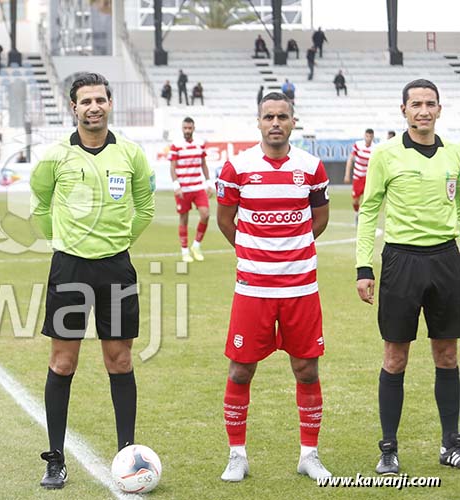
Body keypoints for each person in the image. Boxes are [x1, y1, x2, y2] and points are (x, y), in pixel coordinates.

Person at [30, 72, 155, 490]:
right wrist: (64, 242)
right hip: (70, 268)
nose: (94, 107)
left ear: (110, 104)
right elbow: (40, 204)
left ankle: (128, 456)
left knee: (119, 360)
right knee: (63, 362)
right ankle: (55, 459)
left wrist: (117, 243)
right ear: (74, 107)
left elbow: (145, 207)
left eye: (100, 99)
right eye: (85, 101)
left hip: (116, 267)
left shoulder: (131, 155)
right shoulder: (55, 156)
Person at [216, 92, 332, 483]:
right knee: (241, 370)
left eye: (283, 116)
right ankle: (237, 455)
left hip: (301, 286)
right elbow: (225, 220)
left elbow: (319, 219)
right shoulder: (237, 168)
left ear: (293, 121)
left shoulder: (312, 168)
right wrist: (255, 253)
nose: (276, 123)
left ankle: (309, 455)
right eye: (269, 116)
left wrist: (291, 254)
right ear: (259, 122)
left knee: (306, 368)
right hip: (253, 288)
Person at [355, 79, 460, 476]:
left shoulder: (454, 154)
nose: (423, 111)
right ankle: (388, 449)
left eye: (430, 104)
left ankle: (451, 443)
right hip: (401, 261)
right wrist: (364, 267)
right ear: (403, 110)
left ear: (439, 109)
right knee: (395, 357)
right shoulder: (385, 155)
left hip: (446, 260)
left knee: (447, 353)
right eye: (415, 104)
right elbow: (369, 212)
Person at [170, 116, 212, 262]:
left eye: (189, 128)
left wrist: (208, 182)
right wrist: (176, 186)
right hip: (183, 189)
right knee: (184, 219)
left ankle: (196, 245)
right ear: (182, 128)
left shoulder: (200, 143)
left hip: (198, 187)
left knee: (206, 215)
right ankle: (184, 251)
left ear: (194, 128)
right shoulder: (176, 144)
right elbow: (173, 167)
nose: (187, 131)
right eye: (185, 128)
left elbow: (203, 164)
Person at [343, 128, 375, 220]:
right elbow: (350, 159)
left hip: (368, 177)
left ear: (373, 137)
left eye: (370, 137)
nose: (368, 138)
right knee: (355, 200)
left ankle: (365, 217)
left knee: (368, 198)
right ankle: (357, 213)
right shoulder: (358, 145)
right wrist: (347, 174)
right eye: (367, 136)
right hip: (357, 176)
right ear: (364, 136)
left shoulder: (375, 148)